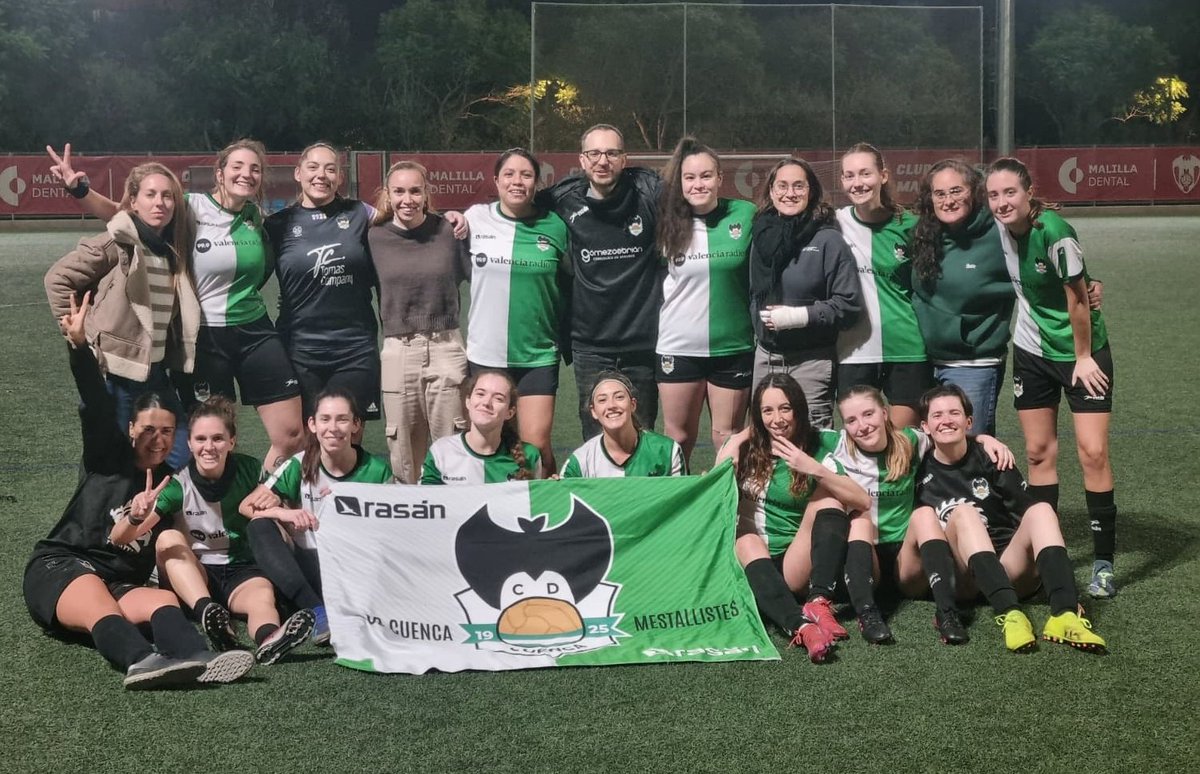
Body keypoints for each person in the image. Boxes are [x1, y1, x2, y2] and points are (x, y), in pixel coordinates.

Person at [22, 293, 252, 689]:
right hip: (64, 565)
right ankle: (142, 661)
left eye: (165, 431)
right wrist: (79, 347)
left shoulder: (172, 482)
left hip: (118, 580)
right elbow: (95, 404)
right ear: (131, 429)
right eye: (147, 429)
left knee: (162, 603)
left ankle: (199, 658)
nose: (157, 439)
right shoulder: (107, 457)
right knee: (98, 603)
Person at [47, 141, 304, 472]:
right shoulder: (190, 206)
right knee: (206, 437)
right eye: (237, 166)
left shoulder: (257, 218)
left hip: (255, 329)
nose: (246, 174)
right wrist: (79, 189)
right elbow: (126, 215)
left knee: (291, 435)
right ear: (219, 172)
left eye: (255, 168)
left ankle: (268, 503)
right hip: (204, 338)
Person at [986, 157, 1119, 598]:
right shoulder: (1000, 230)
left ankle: (1102, 563)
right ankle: (1049, 555)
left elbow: (1080, 299)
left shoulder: (1054, 230)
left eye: (1010, 193)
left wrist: (1082, 357)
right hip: (1031, 353)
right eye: (994, 195)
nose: (1002, 203)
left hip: (1082, 355)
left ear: (1028, 193)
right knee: (1040, 452)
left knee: (1092, 452)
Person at [914, 384, 1106, 654]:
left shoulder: (993, 457)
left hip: (1008, 566)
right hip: (960, 575)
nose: (946, 420)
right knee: (965, 513)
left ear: (968, 422)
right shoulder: (915, 465)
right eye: (937, 415)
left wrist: (984, 440)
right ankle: (1010, 614)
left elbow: (1023, 516)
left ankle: (1064, 614)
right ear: (924, 426)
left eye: (954, 413)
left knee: (1041, 510)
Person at [44, 161, 200, 470]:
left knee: (180, 453)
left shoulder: (171, 249)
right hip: (116, 373)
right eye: (151, 194)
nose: (160, 202)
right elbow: (57, 279)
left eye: (167, 196)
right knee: (113, 462)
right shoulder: (118, 242)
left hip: (155, 372)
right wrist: (79, 336)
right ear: (133, 201)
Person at [833, 385, 1014, 645]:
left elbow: (949, 433)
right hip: (864, 558)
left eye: (869, 414)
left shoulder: (911, 440)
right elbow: (790, 436)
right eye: (851, 420)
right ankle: (868, 614)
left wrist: (985, 439)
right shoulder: (836, 446)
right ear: (844, 426)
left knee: (925, 514)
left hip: (905, 564)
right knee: (860, 519)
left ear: (884, 413)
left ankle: (947, 613)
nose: (862, 425)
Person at [141, 396, 315, 665]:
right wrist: (133, 517)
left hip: (241, 569)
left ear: (231, 442)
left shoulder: (249, 470)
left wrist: (282, 510)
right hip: (197, 573)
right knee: (167, 538)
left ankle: (271, 639)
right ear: (189, 443)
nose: (209, 447)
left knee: (262, 598)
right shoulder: (178, 484)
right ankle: (207, 612)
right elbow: (132, 532)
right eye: (201, 439)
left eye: (218, 439)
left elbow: (270, 505)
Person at [714, 374, 870, 663]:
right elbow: (714, 492)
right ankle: (801, 627)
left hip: (794, 562)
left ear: (798, 409)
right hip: (752, 560)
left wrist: (812, 467)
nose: (777, 419)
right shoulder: (746, 448)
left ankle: (818, 600)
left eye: (785, 408)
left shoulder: (818, 444)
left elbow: (862, 500)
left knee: (830, 496)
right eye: (768, 410)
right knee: (745, 537)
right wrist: (736, 439)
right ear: (758, 416)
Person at [239, 388, 393, 646]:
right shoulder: (299, 464)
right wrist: (283, 512)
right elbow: (247, 506)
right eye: (325, 419)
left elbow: (392, 530)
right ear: (312, 424)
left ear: (356, 425)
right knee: (260, 525)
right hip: (311, 565)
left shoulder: (377, 470)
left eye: (342, 419)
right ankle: (317, 612)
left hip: (355, 566)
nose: (333, 427)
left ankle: (323, 610)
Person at [537, 123, 663, 436]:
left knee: (641, 434)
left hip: (643, 344)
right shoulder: (563, 199)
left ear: (625, 158)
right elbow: (517, 207)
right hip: (590, 346)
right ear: (581, 160)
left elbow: (694, 203)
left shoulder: (649, 193)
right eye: (594, 153)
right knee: (595, 436)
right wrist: (462, 218)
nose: (602, 160)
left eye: (611, 153)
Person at [463, 148, 568, 474]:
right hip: (487, 354)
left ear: (537, 182)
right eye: (509, 174)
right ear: (496, 180)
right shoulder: (475, 218)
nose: (517, 181)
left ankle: (550, 512)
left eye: (526, 175)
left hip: (536, 355)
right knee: (489, 444)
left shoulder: (555, 226)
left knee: (536, 446)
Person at [654, 136, 756, 466]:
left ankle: (727, 512)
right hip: (679, 346)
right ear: (679, 182)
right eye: (690, 177)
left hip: (733, 346)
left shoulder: (745, 214)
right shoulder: (665, 222)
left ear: (720, 178)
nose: (698, 184)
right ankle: (679, 513)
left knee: (727, 436)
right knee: (678, 438)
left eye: (706, 176)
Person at [263, 142, 381, 424]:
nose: (321, 175)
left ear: (340, 177)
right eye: (312, 167)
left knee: (348, 435)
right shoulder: (277, 224)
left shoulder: (361, 214)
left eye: (330, 169)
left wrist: (449, 219)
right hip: (299, 348)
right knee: (303, 438)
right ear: (297, 173)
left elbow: (405, 224)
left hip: (355, 347)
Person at [368, 160, 470, 483]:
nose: (407, 199)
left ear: (427, 193)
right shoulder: (374, 237)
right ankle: (409, 519)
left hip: (446, 345)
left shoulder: (449, 232)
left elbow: (478, 276)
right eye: (398, 191)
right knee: (402, 450)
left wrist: (459, 217)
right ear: (388, 194)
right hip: (398, 349)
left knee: (452, 443)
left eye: (415, 190)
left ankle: (452, 518)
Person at [749, 158, 861, 430]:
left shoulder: (827, 239)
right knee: (766, 439)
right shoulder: (760, 234)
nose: (790, 193)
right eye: (782, 186)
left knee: (812, 438)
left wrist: (798, 316)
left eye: (799, 186)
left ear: (811, 191)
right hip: (766, 357)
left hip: (812, 360)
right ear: (771, 191)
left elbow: (849, 305)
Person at [909, 160, 1013, 437]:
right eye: (940, 193)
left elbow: (1041, 261)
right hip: (924, 361)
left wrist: (1087, 283)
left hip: (973, 363)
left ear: (974, 192)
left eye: (957, 191)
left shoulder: (1001, 233)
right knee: (930, 451)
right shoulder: (923, 233)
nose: (948, 200)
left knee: (967, 450)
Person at [835, 143, 932, 429]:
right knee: (862, 441)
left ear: (883, 176)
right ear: (841, 181)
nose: (857, 183)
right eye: (849, 175)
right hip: (852, 350)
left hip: (906, 347)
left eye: (865, 173)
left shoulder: (910, 225)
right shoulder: (833, 223)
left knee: (905, 442)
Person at [421, 370, 543, 484]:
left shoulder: (529, 455)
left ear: (510, 412)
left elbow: (537, 503)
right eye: (480, 394)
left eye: (498, 398)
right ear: (468, 401)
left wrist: (558, 488)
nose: (486, 403)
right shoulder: (441, 451)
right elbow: (425, 500)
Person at [560, 372, 685, 478]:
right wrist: (553, 487)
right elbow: (561, 501)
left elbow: (684, 500)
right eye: (602, 400)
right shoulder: (580, 462)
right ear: (593, 411)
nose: (611, 406)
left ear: (633, 405)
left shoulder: (666, 451)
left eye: (619, 397)